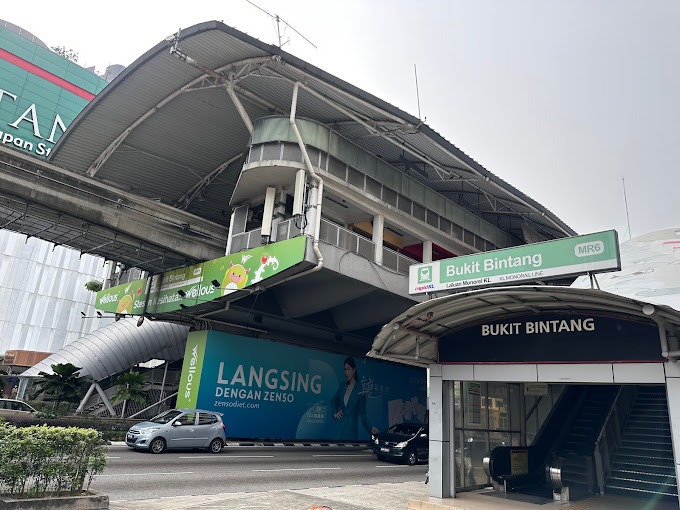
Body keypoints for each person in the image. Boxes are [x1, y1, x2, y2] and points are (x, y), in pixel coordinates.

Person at [331, 356, 379, 440]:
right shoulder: (343, 386)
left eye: (348, 369)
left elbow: (363, 414)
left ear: (354, 370)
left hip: (351, 432)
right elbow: (333, 400)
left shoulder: (360, 389)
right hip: (338, 429)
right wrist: (335, 413)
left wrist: (370, 427)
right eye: (345, 369)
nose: (346, 372)